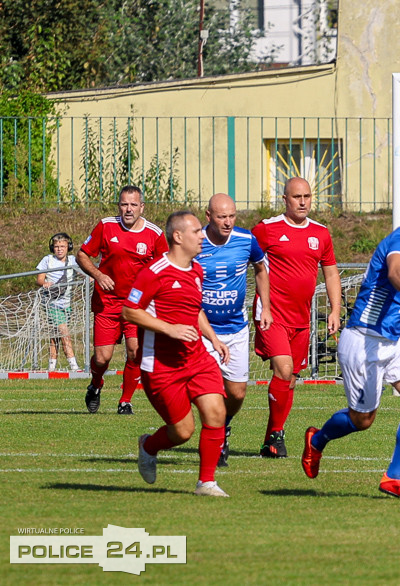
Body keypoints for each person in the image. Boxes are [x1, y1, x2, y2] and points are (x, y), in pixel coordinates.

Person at [301, 198, 400, 500]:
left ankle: (394, 476)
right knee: (362, 420)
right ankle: (317, 440)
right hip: (364, 341)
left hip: (395, 341)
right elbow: (396, 273)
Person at [124, 211, 232, 496]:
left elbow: (194, 310)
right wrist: (168, 329)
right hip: (161, 366)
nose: (202, 235)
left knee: (216, 412)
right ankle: (148, 446)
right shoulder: (153, 273)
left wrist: (213, 338)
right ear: (178, 236)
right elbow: (129, 310)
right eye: (197, 231)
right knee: (183, 432)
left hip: (196, 357)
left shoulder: (197, 270)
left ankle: (206, 482)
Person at [251, 177, 341, 458]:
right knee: (284, 370)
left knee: (290, 380)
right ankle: (277, 434)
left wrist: (335, 310)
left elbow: (330, 272)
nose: (303, 202)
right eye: (296, 197)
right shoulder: (267, 229)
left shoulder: (321, 233)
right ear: (285, 199)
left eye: (307, 196)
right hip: (271, 313)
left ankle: (270, 440)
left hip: (302, 319)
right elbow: (243, 256)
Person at [77, 186, 168, 414]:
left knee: (135, 351)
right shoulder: (106, 226)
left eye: (133, 205)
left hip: (137, 305)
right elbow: (82, 254)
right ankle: (96, 385)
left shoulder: (154, 234)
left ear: (142, 207)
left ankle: (125, 400)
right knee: (101, 358)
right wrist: (98, 274)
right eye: (124, 204)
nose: (128, 209)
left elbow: (164, 267)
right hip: (107, 302)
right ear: (119, 205)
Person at [197, 193, 273, 467]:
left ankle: (224, 425)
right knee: (208, 390)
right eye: (221, 217)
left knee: (237, 392)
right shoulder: (195, 241)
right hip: (203, 329)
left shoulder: (246, 239)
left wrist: (266, 306)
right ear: (208, 217)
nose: (228, 222)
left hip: (236, 329)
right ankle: (214, 437)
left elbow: (261, 269)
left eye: (231, 216)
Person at [36, 233, 80, 372]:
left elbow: (83, 271)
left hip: (66, 303)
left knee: (55, 335)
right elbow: (39, 279)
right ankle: (74, 365)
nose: (59, 249)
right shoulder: (47, 260)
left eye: (62, 246)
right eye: (56, 246)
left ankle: (52, 365)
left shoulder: (73, 260)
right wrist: (45, 283)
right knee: (64, 332)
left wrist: (90, 277)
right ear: (52, 248)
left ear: (68, 247)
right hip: (52, 302)